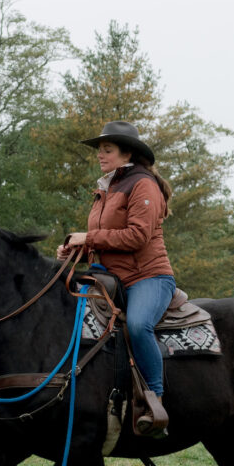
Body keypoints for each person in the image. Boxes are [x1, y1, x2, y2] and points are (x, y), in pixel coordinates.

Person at [58, 121, 175, 437]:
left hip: (148, 278)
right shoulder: (105, 189)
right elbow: (103, 244)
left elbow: (137, 237)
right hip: (111, 278)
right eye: (99, 150)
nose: (100, 155)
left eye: (106, 149)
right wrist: (75, 251)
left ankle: (154, 401)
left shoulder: (143, 185)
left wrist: (89, 237)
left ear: (127, 153)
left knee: (138, 325)